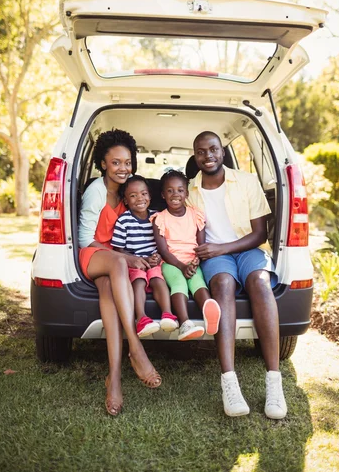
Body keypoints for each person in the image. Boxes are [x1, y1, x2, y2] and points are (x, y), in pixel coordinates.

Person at [188, 131, 287, 419]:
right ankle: (229, 382)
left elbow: (259, 234)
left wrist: (222, 248)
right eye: (201, 151)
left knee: (260, 281)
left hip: (245, 249)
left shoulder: (245, 181)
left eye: (214, 149)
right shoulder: (190, 190)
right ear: (195, 156)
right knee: (222, 284)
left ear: (222, 152)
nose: (208, 156)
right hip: (215, 258)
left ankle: (274, 382)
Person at [78, 129, 162, 417]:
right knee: (117, 265)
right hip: (92, 254)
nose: (123, 168)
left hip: (111, 259)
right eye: (115, 163)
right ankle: (136, 348)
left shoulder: (128, 195)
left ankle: (113, 377)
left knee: (108, 294)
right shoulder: (96, 192)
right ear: (103, 164)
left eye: (127, 162)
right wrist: (127, 257)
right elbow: (84, 237)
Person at [151, 170, 221, 341]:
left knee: (198, 283)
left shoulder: (195, 214)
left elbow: (201, 245)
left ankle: (209, 313)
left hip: (192, 261)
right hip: (171, 262)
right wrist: (182, 266)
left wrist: (195, 262)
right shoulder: (160, 219)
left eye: (180, 190)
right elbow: (164, 251)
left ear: (187, 193)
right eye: (170, 190)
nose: (175, 194)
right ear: (163, 194)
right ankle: (184, 323)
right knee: (179, 283)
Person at [111, 175, 179, 337]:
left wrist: (156, 256)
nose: (139, 198)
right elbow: (118, 250)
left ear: (150, 196)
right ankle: (141, 318)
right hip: (135, 263)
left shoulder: (157, 217)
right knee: (139, 280)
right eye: (133, 196)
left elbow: (165, 242)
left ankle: (167, 314)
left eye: (144, 194)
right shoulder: (124, 221)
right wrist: (135, 260)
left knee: (157, 278)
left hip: (155, 261)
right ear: (126, 201)